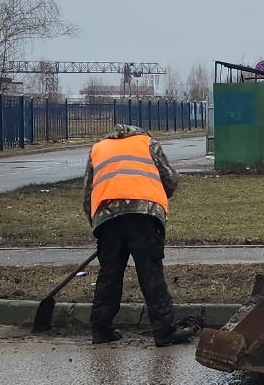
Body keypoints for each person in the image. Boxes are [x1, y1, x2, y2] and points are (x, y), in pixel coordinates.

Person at [81, 124, 195, 347]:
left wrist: (96, 224)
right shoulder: (147, 143)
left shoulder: (98, 149)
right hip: (144, 216)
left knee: (109, 275)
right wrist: (154, 197)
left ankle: (101, 329)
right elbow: (170, 179)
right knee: (151, 274)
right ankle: (163, 331)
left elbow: (88, 191)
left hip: (108, 218)